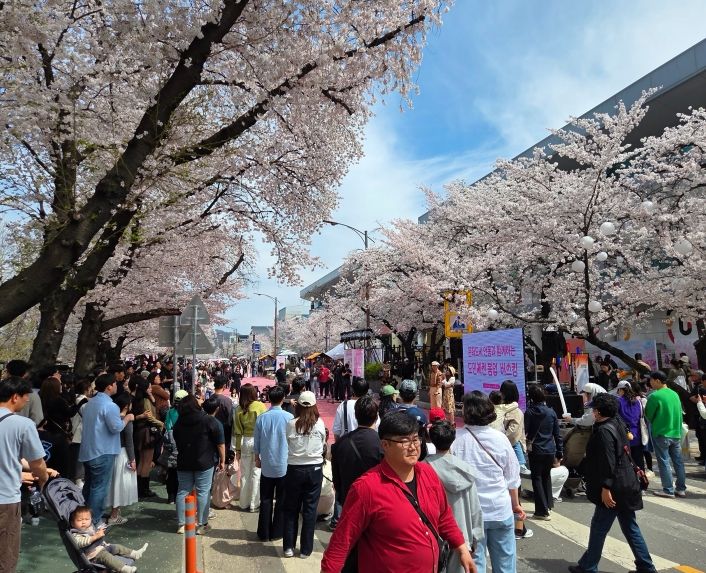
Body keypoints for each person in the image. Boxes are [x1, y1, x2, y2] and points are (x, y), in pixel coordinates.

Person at [321, 411, 476, 573]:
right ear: (385, 445)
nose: (413, 447)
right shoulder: (366, 488)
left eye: (415, 439)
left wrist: (462, 548)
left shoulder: (428, 473)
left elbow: (444, 517)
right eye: (404, 441)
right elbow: (341, 542)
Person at [568, 393, 657, 573]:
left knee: (599, 528)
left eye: (594, 410)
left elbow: (609, 462)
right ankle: (646, 567)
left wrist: (606, 488)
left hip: (614, 486)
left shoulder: (603, 431)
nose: (592, 412)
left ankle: (588, 567)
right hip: (627, 482)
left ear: (599, 412)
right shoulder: (617, 423)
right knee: (630, 527)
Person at [452, 392, 524, 573]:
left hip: (470, 513)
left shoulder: (456, 439)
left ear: (466, 411)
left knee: (475, 564)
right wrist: (516, 505)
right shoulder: (500, 438)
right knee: (506, 564)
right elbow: (512, 477)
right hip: (500, 509)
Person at [0, 376, 51, 573]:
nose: (28, 400)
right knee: (5, 555)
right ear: (15, 397)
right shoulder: (23, 424)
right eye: (25, 396)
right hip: (5, 499)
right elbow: (37, 463)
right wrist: (43, 478)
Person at [427, 419, 484, 573]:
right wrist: (475, 537)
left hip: (434, 535)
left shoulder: (423, 469)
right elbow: (475, 509)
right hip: (463, 535)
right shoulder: (465, 470)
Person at [79, 374, 133, 526]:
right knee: (99, 489)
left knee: (89, 487)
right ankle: (94, 521)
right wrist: (127, 418)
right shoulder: (110, 405)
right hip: (103, 451)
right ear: (109, 386)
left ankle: (84, 518)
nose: (116, 385)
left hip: (88, 450)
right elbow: (116, 427)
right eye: (114, 383)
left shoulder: (89, 403)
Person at [282, 391, 326, 558]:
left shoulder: (291, 424)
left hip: (294, 468)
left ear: (298, 406)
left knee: (291, 508)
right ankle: (306, 550)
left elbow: (288, 442)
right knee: (310, 509)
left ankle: (288, 547)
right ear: (314, 406)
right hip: (314, 469)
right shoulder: (320, 423)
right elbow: (322, 444)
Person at [173, 394, 225, 535]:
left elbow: (176, 439)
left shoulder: (179, 422)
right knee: (203, 492)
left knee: (182, 491)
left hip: (184, 461)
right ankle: (202, 524)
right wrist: (222, 460)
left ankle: (182, 524)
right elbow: (220, 443)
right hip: (204, 462)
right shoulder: (208, 420)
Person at [253, 385, 293, 542]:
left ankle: (264, 532)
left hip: (267, 463)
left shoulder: (262, 418)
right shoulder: (289, 418)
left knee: (265, 499)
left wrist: (257, 458)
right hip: (284, 463)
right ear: (283, 399)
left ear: (269, 399)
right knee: (282, 499)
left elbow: (257, 441)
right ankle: (277, 532)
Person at [331, 395, 384, 506]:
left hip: (349, 500)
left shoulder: (340, 444)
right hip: (376, 500)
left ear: (356, 415)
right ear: (376, 417)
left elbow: (337, 481)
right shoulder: (383, 444)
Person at [644, 371, 686, 498]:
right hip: (676, 432)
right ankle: (681, 488)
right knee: (678, 462)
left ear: (657, 380)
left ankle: (668, 490)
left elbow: (648, 415)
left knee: (664, 461)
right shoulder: (675, 394)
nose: (650, 382)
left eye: (651, 380)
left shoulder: (655, 396)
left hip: (661, 432)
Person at [69, 505, 148, 573]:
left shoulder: (89, 528)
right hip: (93, 556)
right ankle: (123, 568)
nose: (83, 522)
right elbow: (80, 542)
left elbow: (96, 539)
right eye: (79, 520)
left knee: (117, 547)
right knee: (106, 557)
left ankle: (134, 554)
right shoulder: (76, 534)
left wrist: (100, 535)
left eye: (87, 519)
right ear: (72, 523)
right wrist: (95, 537)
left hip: (101, 547)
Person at [524, 385, 563, 520]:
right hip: (550, 449)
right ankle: (548, 506)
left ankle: (542, 511)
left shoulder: (529, 412)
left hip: (536, 449)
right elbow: (557, 434)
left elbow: (525, 431)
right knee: (546, 477)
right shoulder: (551, 412)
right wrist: (559, 451)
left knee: (537, 478)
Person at [105, 393, 138, 526]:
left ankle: (114, 513)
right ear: (126, 406)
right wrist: (132, 460)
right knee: (119, 485)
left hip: (110, 452)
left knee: (112, 484)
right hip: (123, 454)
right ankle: (114, 515)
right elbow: (129, 442)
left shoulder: (111, 418)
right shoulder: (127, 420)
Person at [234, 383, 266, 511]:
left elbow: (237, 431)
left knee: (244, 473)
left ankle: (243, 503)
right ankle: (254, 503)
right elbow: (264, 426)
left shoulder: (238, 409)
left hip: (244, 441)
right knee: (256, 473)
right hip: (258, 440)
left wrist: (237, 449)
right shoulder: (260, 406)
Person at [131, 377, 163, 499]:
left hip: (140, 432)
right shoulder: (145, 400)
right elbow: (150, 416)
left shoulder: (137, 399)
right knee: (146, 462)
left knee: (142, 462)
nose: (151, 389)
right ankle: (144, 489)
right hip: (147, 433)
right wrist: (161, 424)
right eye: (148, 387)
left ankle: (139, 489)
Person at [616, 380, 646, 471]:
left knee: (627, 463)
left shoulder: (618, 401)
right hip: (637, 435)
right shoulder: (638, 401)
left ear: (621, 390)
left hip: (624, 436)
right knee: (639, 462)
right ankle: (642, 478)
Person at [5, 360, 44, 426]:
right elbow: (38, 418)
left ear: (8, 373)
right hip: (23, 430)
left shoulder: (2, 389)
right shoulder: (31, 394)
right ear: (25, 374)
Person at [212, 376, 234, 452]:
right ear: (224, 386)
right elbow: (230, 418)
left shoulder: (210, 398)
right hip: (224, 431)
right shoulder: (226, 401)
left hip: (211, 430)